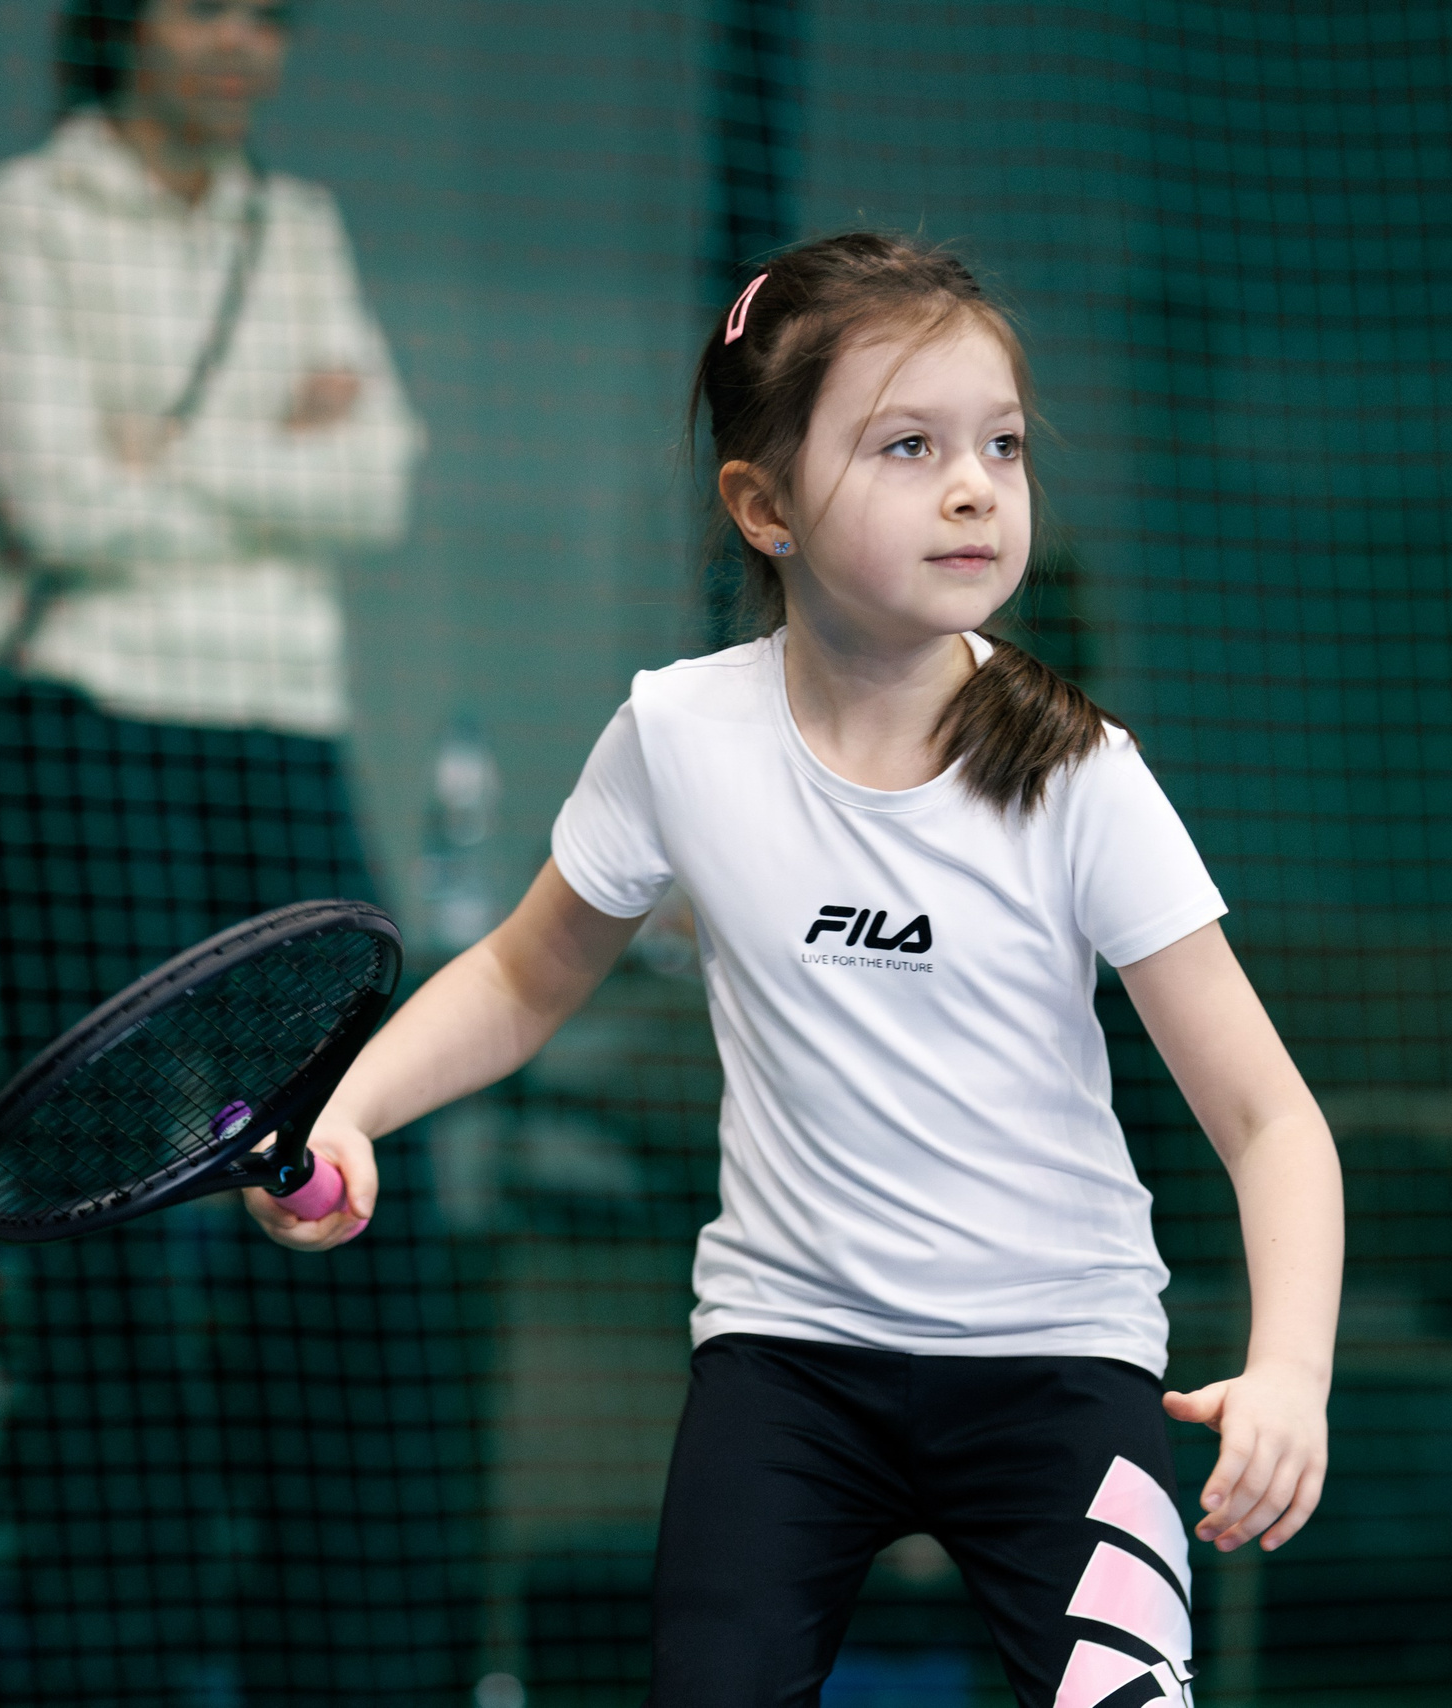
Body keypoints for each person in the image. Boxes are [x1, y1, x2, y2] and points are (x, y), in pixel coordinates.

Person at [247, 234, 1345, 1706]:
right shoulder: (678, 738)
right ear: (764, 507)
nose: (974, 486)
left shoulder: (1080, 774)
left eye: (1001, 446)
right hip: (790, 1366)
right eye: (907, 446)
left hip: (1062, 1369)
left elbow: (1271, 1120)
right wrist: (354, 1111)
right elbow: (522, 977)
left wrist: (1291, 1374)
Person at [0, 3, 438, 1699]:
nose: (242, 42)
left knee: (361, 1181)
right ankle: (113, 1661)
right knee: (110, 1215)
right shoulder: (30, 214)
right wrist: (267, 453)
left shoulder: (298, 229)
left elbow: (379, 482)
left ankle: (349, 1662)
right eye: (205, 5)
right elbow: (61, 502)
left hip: (278, 738)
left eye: (273, 15)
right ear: (122, 26)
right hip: (88, 727)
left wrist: (168, 450)